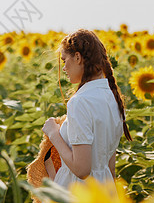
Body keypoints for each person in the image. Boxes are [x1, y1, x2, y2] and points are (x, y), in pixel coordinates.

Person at [42, 29, 132, 191]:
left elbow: (81, 169)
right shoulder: (113, 99)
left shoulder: (80, 102)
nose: (63, 68)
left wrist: (53, 133)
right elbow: (110, 167)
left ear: (77, 57)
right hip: (105, 191)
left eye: (64, 60)